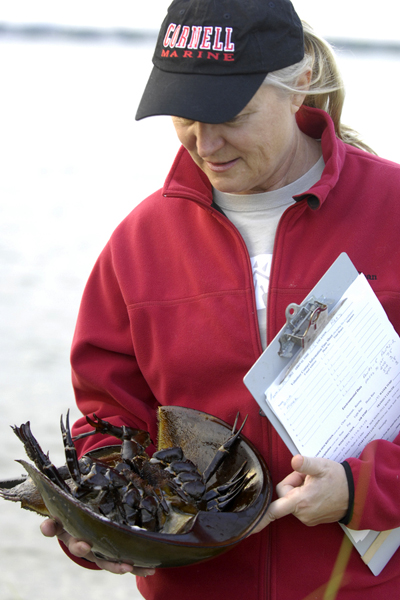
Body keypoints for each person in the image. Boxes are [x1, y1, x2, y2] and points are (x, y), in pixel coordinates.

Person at [40, 0, 400, 598]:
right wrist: (97, 521)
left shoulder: (393, 211)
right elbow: (109, 426)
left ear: (299, 84)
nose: (205, 143)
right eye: (184, 114)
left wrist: (367, 490)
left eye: (231, 113)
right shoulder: (139, 244)